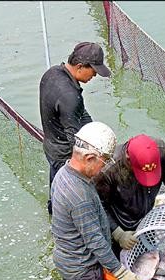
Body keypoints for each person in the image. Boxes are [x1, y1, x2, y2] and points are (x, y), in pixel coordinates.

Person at [50, 121, 144, 280]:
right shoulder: (78, 194)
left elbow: (94, 214)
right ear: (89, 157)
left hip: (66, 258)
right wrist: (121, 273)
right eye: (103, 161)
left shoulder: (67, 174)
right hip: (81, 267)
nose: (104, 167)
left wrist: (116, 232)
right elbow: (94, 241)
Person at [94, 134, 165, 256]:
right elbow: (98, 206)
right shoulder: (108, 170)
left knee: (148, 254)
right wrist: (118, 233)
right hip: (119, 221)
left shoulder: (161, 151)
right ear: (128, 159)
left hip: (146, 217)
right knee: (119, 258)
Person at [40, 42, 111, 215]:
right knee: (70, 197)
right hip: (64, 153)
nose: (94, 75)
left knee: (55, 190)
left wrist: (96, 130)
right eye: (93, 70)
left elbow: (81, 113)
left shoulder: (52, 73)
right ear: (80, 66)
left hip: (51, 146)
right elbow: (74, 140)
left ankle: (53, 210)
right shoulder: (70, 96)